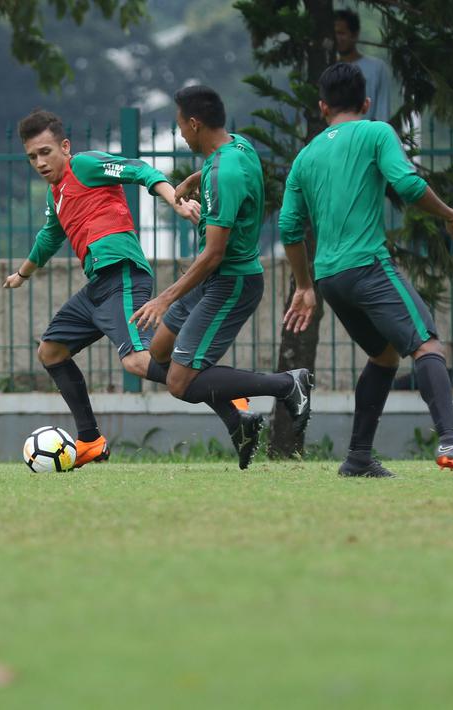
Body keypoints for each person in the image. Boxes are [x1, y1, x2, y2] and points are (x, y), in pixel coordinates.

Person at [279, 62, 453, 479]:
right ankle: (452, 440)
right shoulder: (376, 132)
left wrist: (305, 287)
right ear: (365, 103)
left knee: (383, 357)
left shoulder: (305, 156)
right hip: (367, 266)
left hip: (330, 278)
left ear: (322, 106)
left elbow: (289, 227)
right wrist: (452, 216)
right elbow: (407, 184)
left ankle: (359, 457)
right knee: (426, 344)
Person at [133, 86, 314, 470]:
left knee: (180, 383)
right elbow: (226, 169)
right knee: (160, 352)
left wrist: (164, 297)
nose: (180, 133)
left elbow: (214, 255)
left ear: (194, 123)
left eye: (181, 125)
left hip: (230, 283)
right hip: (209, 281)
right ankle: (240, 422)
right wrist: (194, 179)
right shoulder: (238, 148)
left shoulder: (223, 173)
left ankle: (287, 384)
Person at [3, 109, 186, 467]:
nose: (39, 162)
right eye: (32, 157)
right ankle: (90, 440)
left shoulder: (85, 165)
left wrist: (174, 200)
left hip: (124, 275)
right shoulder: (55, 195)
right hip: (99, 285)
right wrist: (22, 274)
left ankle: (220, 390)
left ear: (65, 147)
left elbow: (138, 169)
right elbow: (49, 238)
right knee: (51, 351)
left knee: (135, 360)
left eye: (45, 152)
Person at [334, 8, 391, 122]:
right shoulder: (329, 70)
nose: (337, 38)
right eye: (334, 33)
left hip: (366, 136)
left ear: (354, 35)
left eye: (341, 33)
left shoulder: (377, 68)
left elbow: (382, 113)